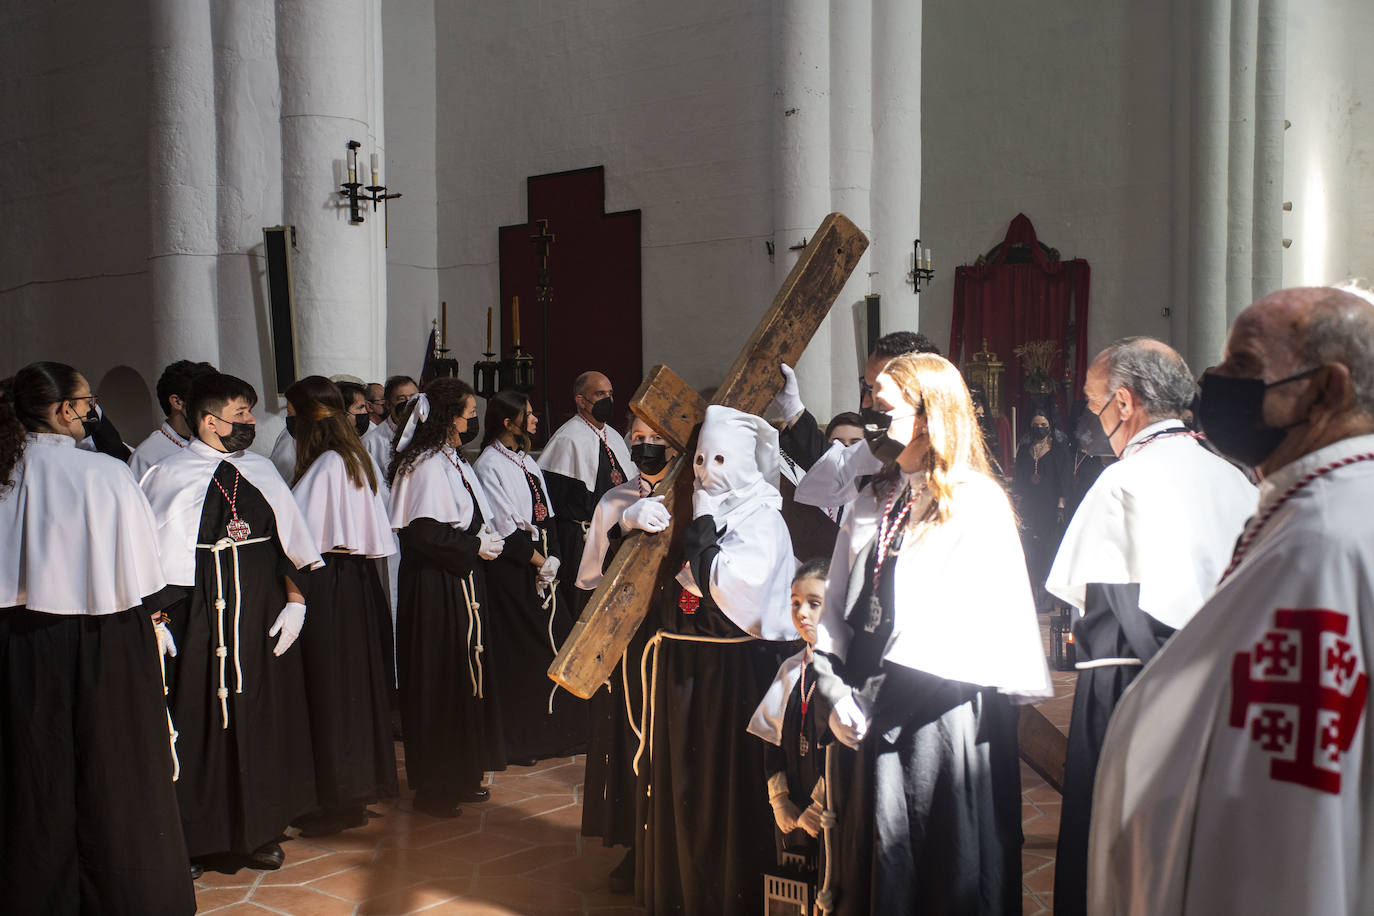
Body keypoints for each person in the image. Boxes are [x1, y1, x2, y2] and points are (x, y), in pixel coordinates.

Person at [1089, 287, 1374, 914]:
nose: (1213, 386)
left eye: (1243, 367)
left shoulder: (1328, 538)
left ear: (1327, 389)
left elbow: (1301, 803)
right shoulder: (1306, 504)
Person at [809, 353, 1051, 916]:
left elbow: (954, 624)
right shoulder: (873, 497)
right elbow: (838, 598)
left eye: (883, 407)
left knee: (931, 861)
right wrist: (830, 682)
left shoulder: (973, 502)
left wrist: (864, 703)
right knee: (867, 858)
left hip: (933, 715)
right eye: (869, 401)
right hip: (860, 706)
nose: (870, 415)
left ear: (926, 418)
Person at [1043, 338, 1256, 915]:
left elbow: (1111, 615)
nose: (1092, 420)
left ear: (1125, 403)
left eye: (1093, 405)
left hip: (1136, 690)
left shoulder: (1122, 481)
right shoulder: (1235, 477)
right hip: (1231, 694)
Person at [0, 362, 195, 914]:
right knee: (114, 768)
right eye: (86, 401)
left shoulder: (5, 472)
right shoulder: (104, 474)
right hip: (103, 636)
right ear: (64, 410)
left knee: (32, 770)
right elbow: (145, 577)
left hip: (16, 644)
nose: (91, 411)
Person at [140, 372, 323, 872]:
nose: (250, 422)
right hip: (196, 622)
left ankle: (260, 831)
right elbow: (146, 558)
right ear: (208, 420)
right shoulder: (166, 474)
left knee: (261, 719)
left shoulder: (261, 470)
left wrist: (296, 604)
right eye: (241, 413)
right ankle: (195, 837)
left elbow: (294, 547)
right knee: (196, 719)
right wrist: (156, 620)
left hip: (259, 618)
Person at [637, 405, 799, 916]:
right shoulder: (694, 506)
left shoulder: (763, 519)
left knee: (722, 792)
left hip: (732, 679)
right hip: (683, 672)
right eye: (702, 458)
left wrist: (702, 529)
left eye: (722, 458)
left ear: (749, 464)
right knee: (684, 784)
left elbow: (737, 590)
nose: (708, 471)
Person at [285, 376, 399, 837]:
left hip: (327, 582)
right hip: (355, 584)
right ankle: (352, 792)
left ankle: (335, 799)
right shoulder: (352, 456)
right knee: (352, 687)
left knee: (330, 689)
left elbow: (302, 537)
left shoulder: (330, 464)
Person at [387, 377, 506, 817]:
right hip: (435, 586)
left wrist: (483, 538)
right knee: (440, 677)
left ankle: (462, 772)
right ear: (446, 417)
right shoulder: (423, 464)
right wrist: (473, 547)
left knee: (465, 674)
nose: (473, 421)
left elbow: (467, 515)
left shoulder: (450, 459)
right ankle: (436, 785)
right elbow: (421, 531)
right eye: (468, 415)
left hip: (460, 579)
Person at [575, 414, 680, 893]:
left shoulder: (699, 495)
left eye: (655, 437)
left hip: (682, 640)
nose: (646, 445)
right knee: (633, 739)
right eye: (637, 438)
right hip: (631, 640)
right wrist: (623, 528)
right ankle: (638, 844)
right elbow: (590, 579)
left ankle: (677, 845)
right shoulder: (614, 500)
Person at [474, 389, 586, 764]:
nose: (536, 420)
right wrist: (539, 562)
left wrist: (552, 557)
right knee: (524, 651)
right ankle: (526, 740)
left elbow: (546, 515)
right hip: (513, 572)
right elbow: (506, 528)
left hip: (541, 567)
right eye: (529, 414)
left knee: (555, 643)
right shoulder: (489, 465)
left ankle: (560, 733)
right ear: (509, 423)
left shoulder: (525, 461)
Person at [794, 331, 940, 512]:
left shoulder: (962, 493)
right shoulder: (878, 466)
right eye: (865, 388)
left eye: (878, 392)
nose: (865, 403)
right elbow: (837, 470)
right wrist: (792, 407)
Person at [748, 558, 834, 861]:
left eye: (814, 603)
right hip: (793, 811)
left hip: (831, 812)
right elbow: (769, 739)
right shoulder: (791, 669)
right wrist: (780, 798)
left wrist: (821, 803)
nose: (801, 613)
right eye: (795, 602)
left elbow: (848, 753)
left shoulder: (847, 676)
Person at [537, 370, 635, 610]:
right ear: (581, 400)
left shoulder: (613, 436)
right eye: (600, 394)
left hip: (617, 539)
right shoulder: (567, 439)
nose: (608, 400)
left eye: (610, 394)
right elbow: (555, 501)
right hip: (581, 542)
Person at [1012, 406, 1072, 611]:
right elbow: (1019, 479)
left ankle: (1046, 596)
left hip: (1050, 506)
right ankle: (1033, 594)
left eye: (1043, 425)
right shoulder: (1025, 449)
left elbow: (1064, 479)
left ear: (1050, 426)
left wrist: (1060, 507)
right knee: (1030, 549)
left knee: (1048, 550)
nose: (1039, 429)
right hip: (1029, 506)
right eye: (1035, 426)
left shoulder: (1058, 450)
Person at [129, 358, 217, 478]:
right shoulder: (148, 456)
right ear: (177, 402)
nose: (217, 409)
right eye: (206, 400)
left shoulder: (221, 443)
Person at [362, 374, 419, 476]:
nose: (410, 403)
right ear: (388, 404)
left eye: (414, 397)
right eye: (402, 399)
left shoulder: (430, 433)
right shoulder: (371, 442)